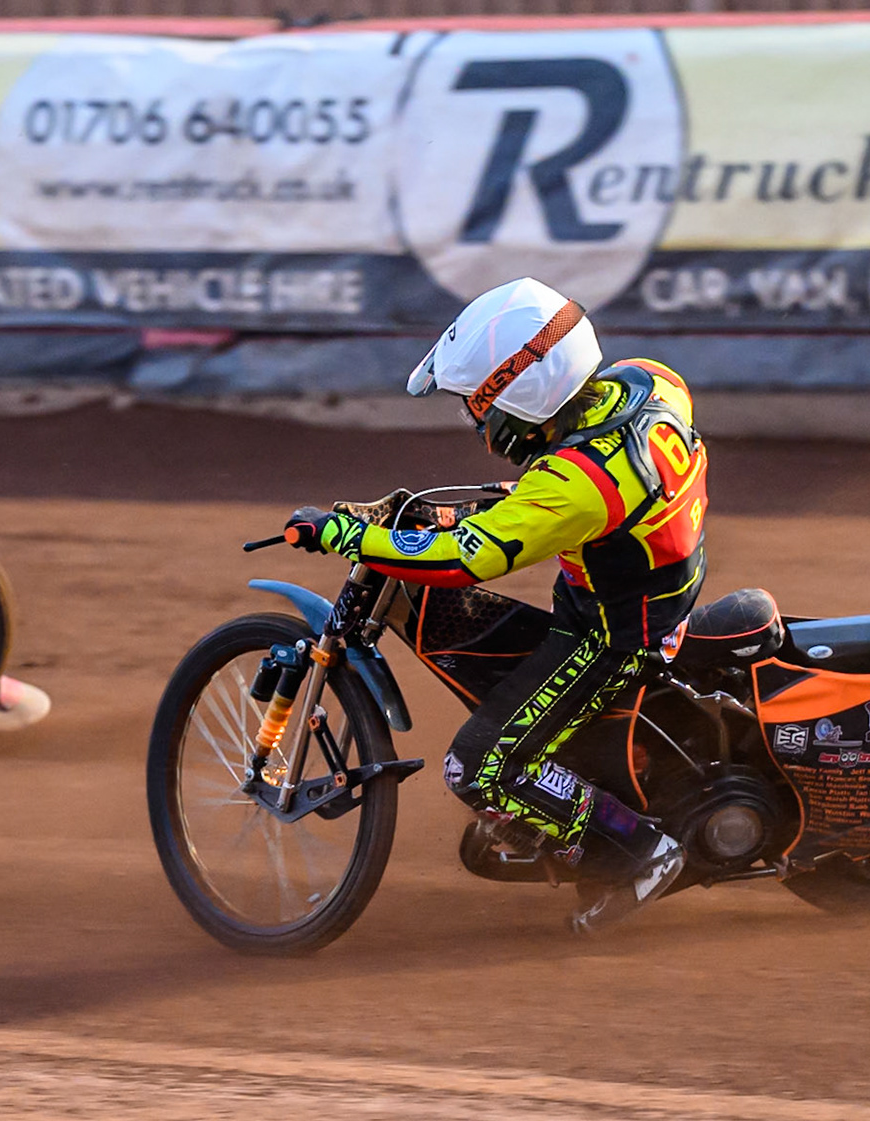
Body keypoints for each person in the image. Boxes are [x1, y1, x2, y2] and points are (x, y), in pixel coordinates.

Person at [283, 277, 709, 935]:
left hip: (614, 637)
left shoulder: (578, 484)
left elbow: (465, 560)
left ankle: (638, 850)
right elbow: (554, 488)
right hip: (646, 592)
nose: (475, 421)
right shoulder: (647, 383)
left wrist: (344, 533)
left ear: (515, 396)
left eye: (475, 406)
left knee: (477, 767)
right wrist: (456, 508)